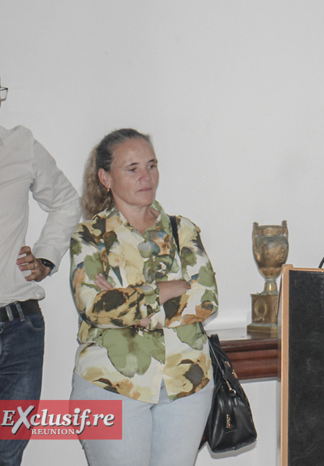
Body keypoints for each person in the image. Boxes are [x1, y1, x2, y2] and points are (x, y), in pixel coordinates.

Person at [69, 128, 218, 465]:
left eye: (151, 165)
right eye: (132, 168)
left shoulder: (183, 230)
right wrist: (164, 290)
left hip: (185, 385)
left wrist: (134, 307)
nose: (146, 177)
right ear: (105, 178)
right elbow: (95, 307)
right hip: (110, 385)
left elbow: (206, 299)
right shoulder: (90, 237)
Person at [0, 52, 81, 465]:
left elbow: (67, 202)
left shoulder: (21, 145)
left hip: (19, 334)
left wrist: (47, 257)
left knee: (5, 458)